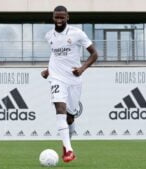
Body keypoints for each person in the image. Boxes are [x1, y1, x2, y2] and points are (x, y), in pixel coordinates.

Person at [41, 5, 98, 163]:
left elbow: (95, 54)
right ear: (53, 17)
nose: (59, 20)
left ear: (67, 17)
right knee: (60, 108)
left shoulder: (77, 33)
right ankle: (69, 150)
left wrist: (82, 68)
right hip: (57, 79)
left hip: (74, 79)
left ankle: (67, 143)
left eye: (62, 17)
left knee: (70, 117)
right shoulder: (48, 36)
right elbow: (55, 55)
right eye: (56, 17)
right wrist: (48, 70)